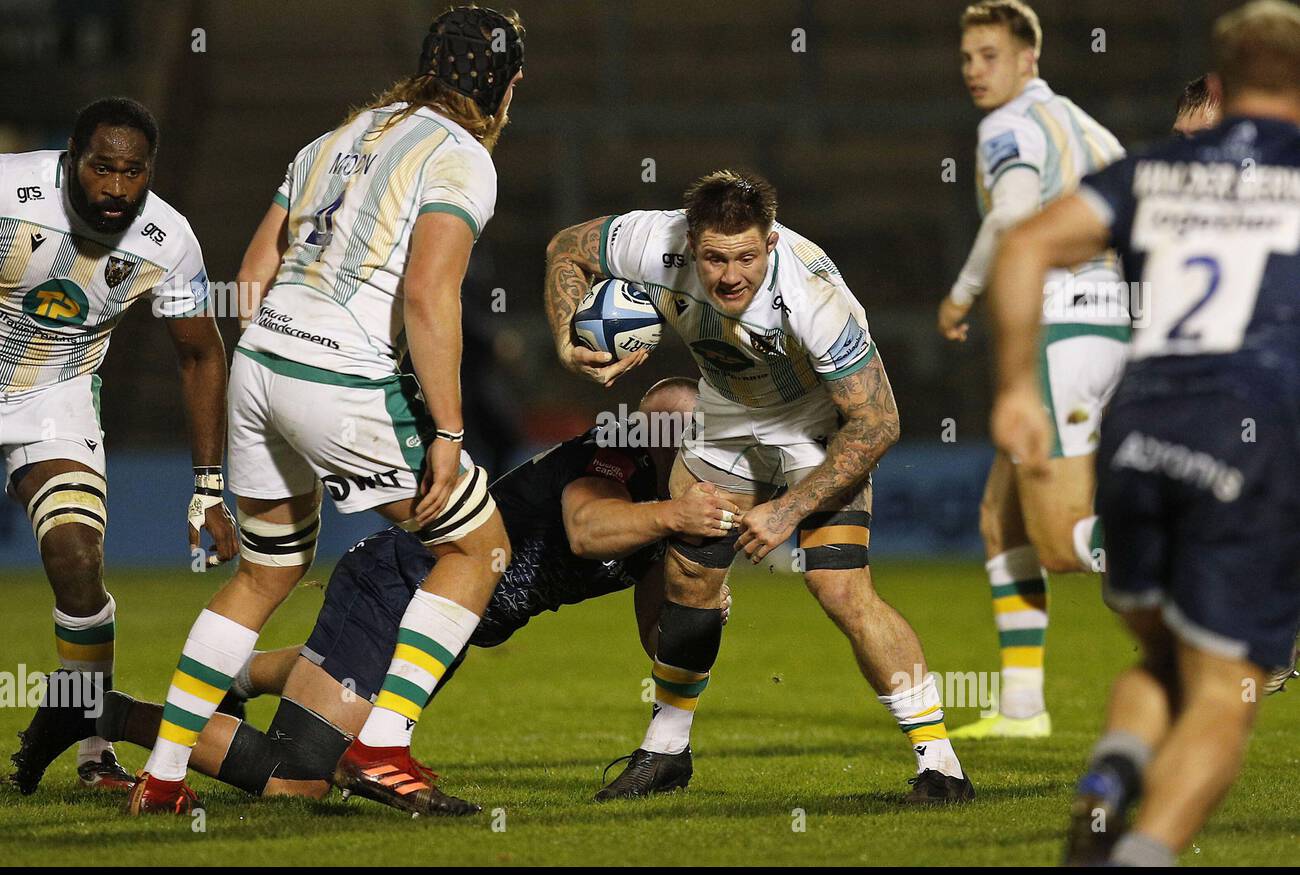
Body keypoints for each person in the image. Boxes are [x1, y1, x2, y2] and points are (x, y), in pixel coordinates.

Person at [128, 6, 525, 814]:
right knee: (478, 548)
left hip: (261, 360)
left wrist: (274, 364)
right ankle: (381, 746)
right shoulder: (462, 155)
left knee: (266, 570)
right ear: (506, 85)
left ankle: (163, 777)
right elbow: (428, 290)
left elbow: (254, 266)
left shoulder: (340, 135)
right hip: (339, 375)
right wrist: (447, 430)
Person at [97, 380, 739, 815]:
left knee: (331, 678)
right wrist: (676, 515)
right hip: (402, 586)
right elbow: (587, 527)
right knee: (300, 777)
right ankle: (112, 716)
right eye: (660, 426)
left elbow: (658, 634)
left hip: (444, 620)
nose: (666, 439)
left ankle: (233, 679)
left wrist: (700, 603)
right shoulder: (612, 459)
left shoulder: (668, 512)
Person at [545, 170, 974, 803]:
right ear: (690, 245)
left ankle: (942, 767)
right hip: (726, 418)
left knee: (841, 589)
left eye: (746, 256)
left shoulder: (812, 295)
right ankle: (666, 752)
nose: (730, 275)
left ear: (770, 243)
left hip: (821, 427)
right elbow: (566, 248)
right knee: (690, 579)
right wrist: (564, 338)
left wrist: (784, 512)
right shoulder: (650, 241)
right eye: (714, 258)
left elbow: (879, 422)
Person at [988, 0, 1300, 865]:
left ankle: (1110, 779)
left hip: (1139, 426)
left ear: (1223, 82)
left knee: (1165, 653)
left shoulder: (1157, 170)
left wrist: (1015, 387)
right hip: (1252, 434)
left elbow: (1023, 250)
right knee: (1227, 691)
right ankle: (1140, 871)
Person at [6, 97, 237, 794]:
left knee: (77, 559)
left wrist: (207, 488)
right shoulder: (10, 192)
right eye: (101, 167)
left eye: (132, 172)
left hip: (54, 397)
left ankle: (92, 748)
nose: (115, 187)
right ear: (68, 158)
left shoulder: (168, 241)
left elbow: (200, 354)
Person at [938, 0, 1127, 739]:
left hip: (1061, 328)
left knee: (1060, 539)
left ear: (1028, 60)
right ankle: (1021, 706)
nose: (976, 71)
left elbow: (1011, 215)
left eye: (990, 55)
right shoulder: (1090, 129)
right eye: (967, 58)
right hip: (1118, 324)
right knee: (1000, 517)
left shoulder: (1007, 127)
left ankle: (1188, 546)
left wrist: (961, 295)